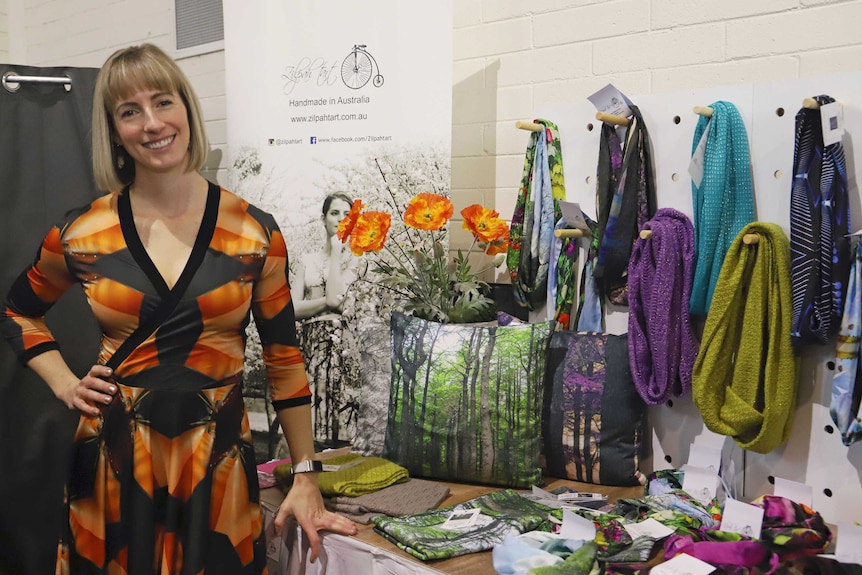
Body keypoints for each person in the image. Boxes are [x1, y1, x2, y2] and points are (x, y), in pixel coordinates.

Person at [0, 43, 356, 573]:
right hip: (112, 465)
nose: (151, 123)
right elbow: (17, 311)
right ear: (114, 131)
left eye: (163, 102)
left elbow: (284, 359)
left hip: (218, 469)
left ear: (187, 108)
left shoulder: (254, 232)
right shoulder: (82, 232)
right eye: (129, 111)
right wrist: (63, 382)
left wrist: (306, 478)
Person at [290, 193, 360, 448]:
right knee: (311, 431)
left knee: (343, 433)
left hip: (344, 352)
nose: (340, 219)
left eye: (346, 214)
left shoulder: (358, 261)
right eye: (334, 213)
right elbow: (291, 308)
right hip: (312, 352)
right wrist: (325, 306)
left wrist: (338, 250)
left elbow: (335, 296)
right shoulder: (307, 260)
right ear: (323, 218)